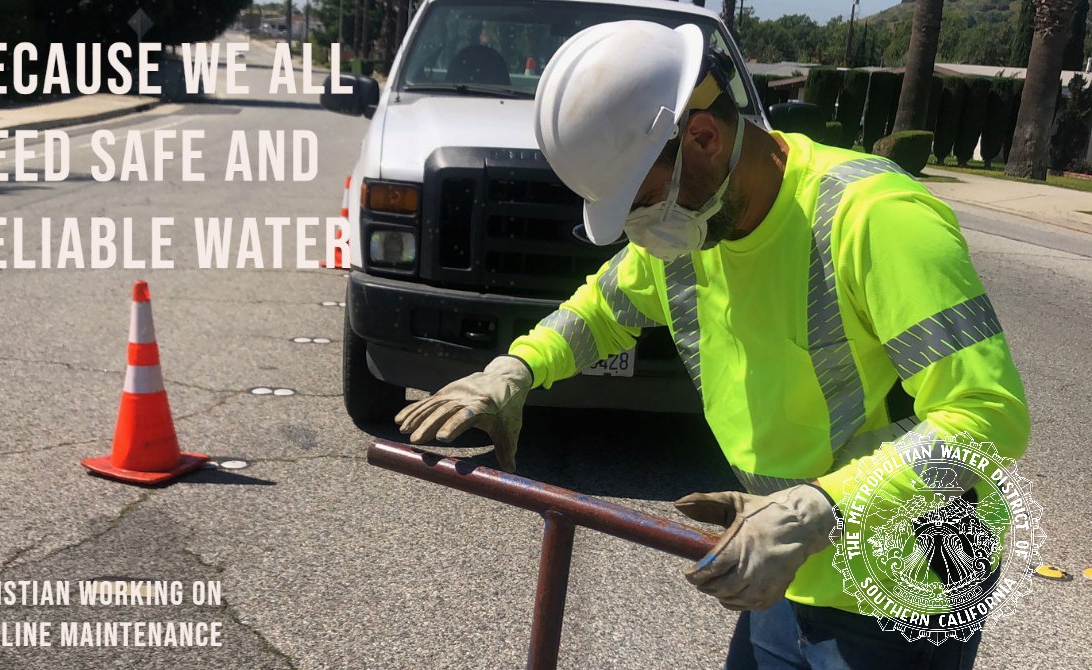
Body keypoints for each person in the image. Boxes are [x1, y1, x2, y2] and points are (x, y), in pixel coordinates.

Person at [394, 20, 1029, 670]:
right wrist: (514, 371)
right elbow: (601, 311)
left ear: (703, 136)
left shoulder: (874, 217)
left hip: (908, 580)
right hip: (793, 557)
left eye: (642, 203)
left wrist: (818, 507)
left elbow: (987, 419)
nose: (640, 232)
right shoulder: (692, 232)